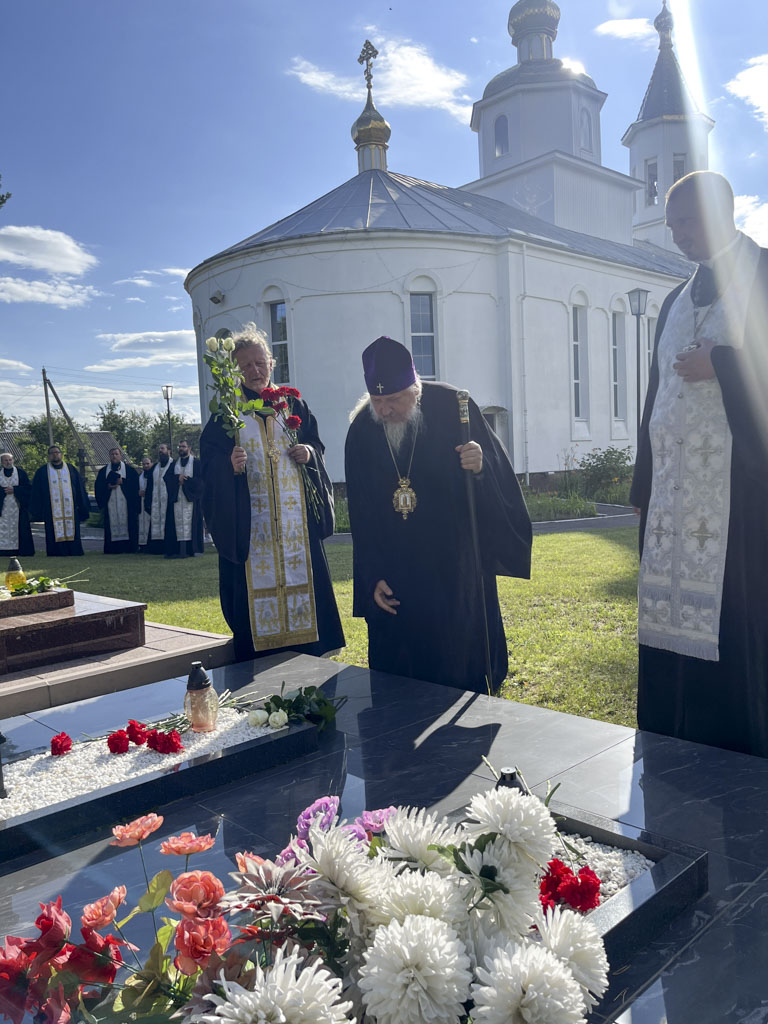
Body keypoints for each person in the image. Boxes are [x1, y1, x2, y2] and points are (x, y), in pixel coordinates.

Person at [631, 170, 768, 758]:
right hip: (671, 498)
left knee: (735, 619)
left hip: (742, 498)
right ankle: (671, 735)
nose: (677, 235)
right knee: (669, 615)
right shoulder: (673, 299)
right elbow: (655, 396)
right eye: (672, 225)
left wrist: (726, 363)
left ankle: (735, 747)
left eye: (686, 222)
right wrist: (643, 488)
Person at [345, 336, 532, 693]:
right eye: (377, 401)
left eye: (393, 400)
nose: (384, 410)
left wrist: (481, 466)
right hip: (396, 569)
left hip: (453, 564)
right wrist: (371, 576)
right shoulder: (362, 431)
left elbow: (499, 476)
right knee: (400, 683)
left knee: (457, 665)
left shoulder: (454, 407)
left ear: (414, 389)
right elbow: (361, 513)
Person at [201, 323, 344, 661]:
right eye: (246, 365)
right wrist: (228, 464)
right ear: (235, 370)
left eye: (260, 363)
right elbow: (208, 463)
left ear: (271, 363)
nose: (255, 371)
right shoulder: (228, 410)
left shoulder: (292, 404)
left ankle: (309, 651)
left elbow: (316, 444)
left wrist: (308, 453)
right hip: (252, 530)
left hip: (296, 529)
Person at [29, 445, 90, 556]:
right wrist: (37, 511)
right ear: (49, 456)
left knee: (72, 528)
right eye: (52, 453)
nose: (55, 455)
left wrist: (83, 506)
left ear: (61, 454)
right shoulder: (42, 471)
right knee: (53, 530)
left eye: (57, 452)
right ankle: (56, 552)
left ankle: (73, 551)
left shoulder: (71, 469)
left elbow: (79, 488)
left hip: (70, 508)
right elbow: (36, 492)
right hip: (51, 509)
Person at [94, 447, 140, 553]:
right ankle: (112, 549)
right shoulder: (103, 471)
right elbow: (99, 488)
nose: (114, 456)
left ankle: (129, 548)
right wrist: (108, 487)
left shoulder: (129, 471)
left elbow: (135, 487)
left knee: (129, 523)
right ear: (109, 456)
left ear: (120, 456)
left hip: (126, 504)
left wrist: (123, 482)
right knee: (111, 524)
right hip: (110, 502)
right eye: (112, 454)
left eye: (116, 454)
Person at [164, 439, 204, 558]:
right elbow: (167, 478)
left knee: (192, 524)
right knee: (175, 524)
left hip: (191, 500)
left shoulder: (196, 463)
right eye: (180, 447)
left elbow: (202, 481)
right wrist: (177, 478)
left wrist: (186, 481)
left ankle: (193, 550)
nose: (181, 449)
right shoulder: (174, 464)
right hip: (177, 499)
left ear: (189, 448)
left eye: (183, 446)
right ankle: (176, 550)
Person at [0, 453, 34, 557]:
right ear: (1, 462)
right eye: (5, 460)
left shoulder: (21, 473)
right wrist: (3, 491)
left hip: (18, 507)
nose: (8, 462)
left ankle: (20, 550)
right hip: (3, 508)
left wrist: (15, 490)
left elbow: (28, 489)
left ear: (13, 460)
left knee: (21, 528)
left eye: (10, 460)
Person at [143, 443, 173, 554]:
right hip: (156, 502)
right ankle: (156, 548)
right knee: (155, 523)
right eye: (159, 449)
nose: (160, 451)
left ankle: (168, 547)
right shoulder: (154, 467)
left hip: (168, 502)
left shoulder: (174, 465)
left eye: (162, 448)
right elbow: (149, 486)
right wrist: (148, 501)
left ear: (168, 450)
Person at [137, 456, 153, 551]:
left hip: (151, 503)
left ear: (151, 463)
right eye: (143, 464)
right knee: (142, 524)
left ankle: (150, 545)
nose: (146, 466)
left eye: (147, 463)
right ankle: (142, 545)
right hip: (141, 504)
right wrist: (138, 492)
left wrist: (146, 493)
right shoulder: (140, 476)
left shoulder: (154, 475)